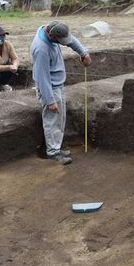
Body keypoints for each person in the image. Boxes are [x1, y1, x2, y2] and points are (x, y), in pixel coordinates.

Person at [31, 20, 92, 165]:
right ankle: (53, 152)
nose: (64, 43)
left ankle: (55, 147)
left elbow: (71, 41)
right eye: (61, 41)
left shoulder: (51, 29)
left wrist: (83, 52)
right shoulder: (41, 49)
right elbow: (42, 78)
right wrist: (50, 100)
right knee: (52, 120)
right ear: (51, 36)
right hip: (50, 87)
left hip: (57, 85)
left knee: (59, 119)